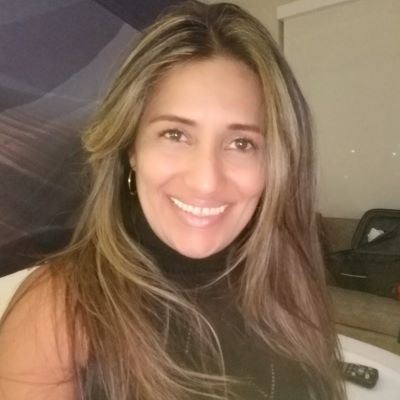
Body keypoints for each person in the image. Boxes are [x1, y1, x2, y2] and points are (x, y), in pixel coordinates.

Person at [0, 1, 346, 399]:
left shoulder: (290, 289)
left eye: (241, 143)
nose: (206, 181)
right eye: (175, 135)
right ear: (131, 147)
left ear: (277, 162)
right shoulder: (58, 311)